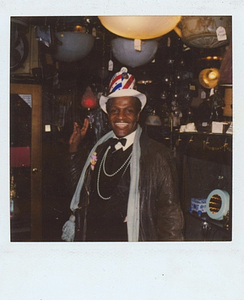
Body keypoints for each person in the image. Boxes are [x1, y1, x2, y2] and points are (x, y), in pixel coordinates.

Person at [62, 67, 184, 242]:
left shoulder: (157, 156)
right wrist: (74, 150)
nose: (121, 117)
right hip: (93, 242)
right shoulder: (100, 148)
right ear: (108, 114)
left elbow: (170, 215)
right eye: (115, 110)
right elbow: (80, 191)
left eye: (128, 110)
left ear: (138, 115)